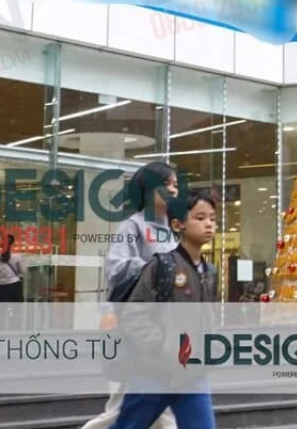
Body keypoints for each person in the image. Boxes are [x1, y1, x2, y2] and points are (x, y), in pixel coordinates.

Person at [84, 162, 180, 429]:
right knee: (122, 403)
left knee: (156, 406)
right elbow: (116, 270)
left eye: (176, 184)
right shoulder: (132, 226)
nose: (175, 189)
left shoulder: (170, 231)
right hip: (132, 325)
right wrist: (159, 266)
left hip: (160, 327)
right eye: (169, 184)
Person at [112, 193, 218, 429]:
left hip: (193, 373)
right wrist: (164, 347)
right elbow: (134, 313)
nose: (209, 223)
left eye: (212, 218)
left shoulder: (210, 271)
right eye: (200, 217)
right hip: (154, 372)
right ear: (177, 224)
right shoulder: (162, 265)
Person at [0, 233, 26, 330]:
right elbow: (22, 271)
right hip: (14, 286)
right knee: (17, 310)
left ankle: (1, 330)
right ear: (12, 244)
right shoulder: (17, 256)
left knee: (2, 311)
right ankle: (15, 329)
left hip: (0, 287)